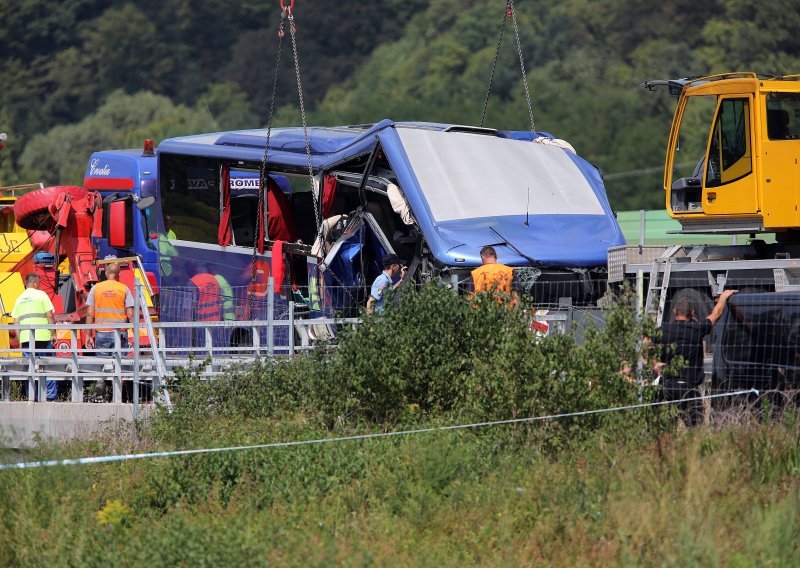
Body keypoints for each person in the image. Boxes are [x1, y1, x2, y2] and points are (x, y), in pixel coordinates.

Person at [659, 289, 737, 427]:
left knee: (666, 429)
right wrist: (724, 296)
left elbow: (645, 341)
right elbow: (716, 314)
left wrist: (655, 363)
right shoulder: (696, 329)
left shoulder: (664, 330)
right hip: (689, 389)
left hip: (668, 387)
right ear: (693, 313)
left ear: (674, 311)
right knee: (695, 428)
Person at [85, 262, 134, 402]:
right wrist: (133, 334)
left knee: (103, 362)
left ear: (106, 274)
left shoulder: (96, 288)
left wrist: (89, 335)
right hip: (120, 334)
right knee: (119, 365)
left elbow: (89, 314)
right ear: (119, 275)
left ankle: (101, 383)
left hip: (101, 332)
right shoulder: (124, 289)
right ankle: (116, 398)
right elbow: (130, 314)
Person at [12, 273, 56, 400]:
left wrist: (20, 341)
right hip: (43, 337)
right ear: (36, 283)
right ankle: (49, 396)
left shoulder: (19, 298)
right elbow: (50, 316)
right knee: (48, 366)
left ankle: (32, 396)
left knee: (29, 368)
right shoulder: (41, 295)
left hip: (26, 339)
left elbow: (16, 323)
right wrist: (53, 333)